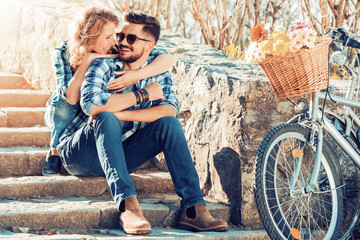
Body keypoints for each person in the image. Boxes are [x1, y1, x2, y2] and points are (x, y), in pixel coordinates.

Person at [56, 10, 228, 235]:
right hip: (80, 154)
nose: (122, 43)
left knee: (170, 124)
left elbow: (169, 110)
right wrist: (142, 95)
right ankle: (129, 206)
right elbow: (92, 106)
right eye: (121, 36)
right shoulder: (104, 63)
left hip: (121, 153)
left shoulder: (157, 69)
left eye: (131, 38)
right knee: (105, 116)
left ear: (149, 46)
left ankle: (194, 208)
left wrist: (122, 113)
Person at [42, 7, 176, 175]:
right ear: (89, 37)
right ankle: (55, 149)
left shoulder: (112, 49)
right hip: (67, 108)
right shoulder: (63, 52)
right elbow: (70, 98)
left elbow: (167, 57)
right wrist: (89, 60)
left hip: (89, 108)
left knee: (98, 103)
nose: (115, 42)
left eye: (115, 35)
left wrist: (134, 76)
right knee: (62, 105)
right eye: (108, 37)